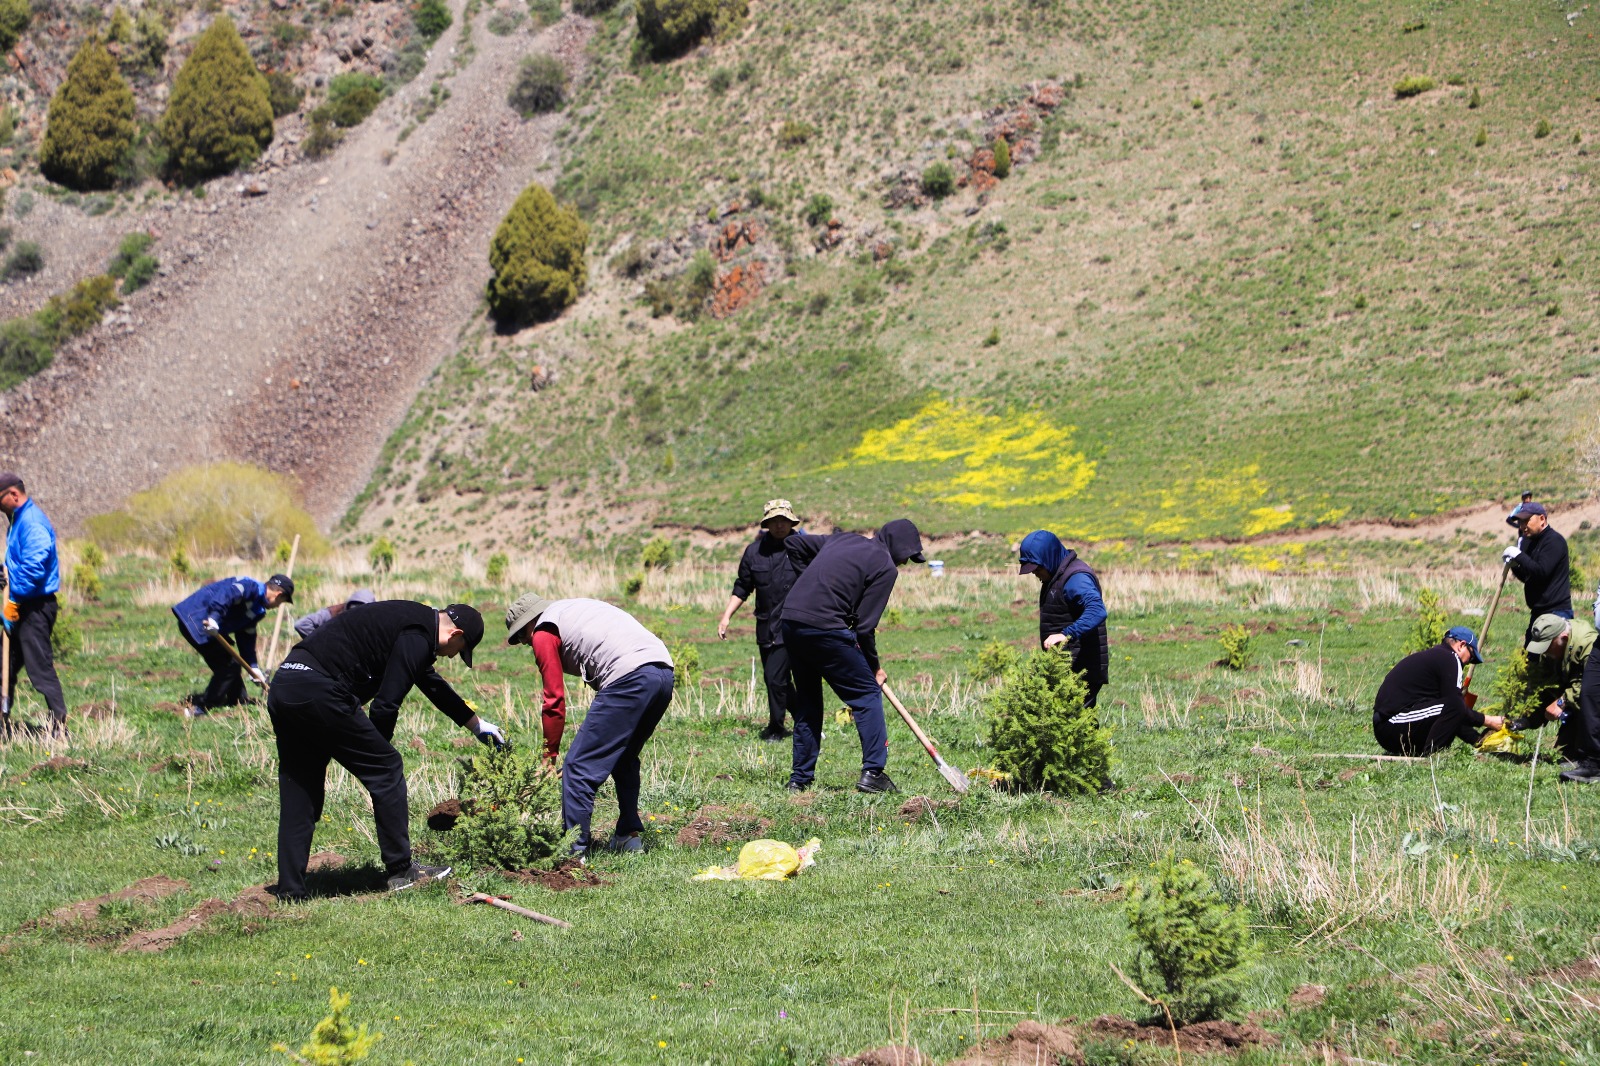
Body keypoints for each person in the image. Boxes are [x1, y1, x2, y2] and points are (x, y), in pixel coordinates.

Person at [267, 600, 498, 898]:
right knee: (387, 768)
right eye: (460, 650)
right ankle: (402, 870)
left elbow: (430, 684)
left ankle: (291, 889)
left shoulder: (411, 624)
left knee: (300, 787)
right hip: (319, 689)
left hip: (286, 683)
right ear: (455, 634)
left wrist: (476, 724)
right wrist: (377, 753)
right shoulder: (418, 635)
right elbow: (386, 704)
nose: (453, 656)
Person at [504, 592, 675, 855]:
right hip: (662, 673)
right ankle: (627, 836)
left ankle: (573, 853)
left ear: (530, 622)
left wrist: (548, 757)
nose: (527, 644)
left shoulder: (543, 631)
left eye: (522, 637)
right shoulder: (570, 608)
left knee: (578, 769)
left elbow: (553, 700)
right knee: (624, 755)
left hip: (629, 677)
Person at [778, 518, 924, 794]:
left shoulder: (843, 539)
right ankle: (873, 773)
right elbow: (865, 627)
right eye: (907, 557)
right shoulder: (885, 567)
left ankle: (799, 780)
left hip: (792, 620)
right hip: (826, 627)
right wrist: (875, 668)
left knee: (809, 702)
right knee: (867, 696)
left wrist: (812, 581)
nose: (904, 563)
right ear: (899, 547)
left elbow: (793, 542)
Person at [716, 499, 801, 741]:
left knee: (775, 678)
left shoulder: (803, 547)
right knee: (779, 679)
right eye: (774, 521)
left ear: (791, 521)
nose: (779, 525)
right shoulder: (754, 552)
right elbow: (743, 586)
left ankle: (776, 727)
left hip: (796, 625)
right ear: (766, 523)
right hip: (766, 626)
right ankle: (805, 719)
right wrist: (726, 617)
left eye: (783, 520)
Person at [172, 572, 295, 716]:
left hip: (207, 628)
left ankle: (238, 700)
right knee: (228, 667)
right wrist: (213, 618)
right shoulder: (249, 587)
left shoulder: (258, 610)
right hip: (196, 621)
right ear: (278, 594)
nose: (278, 606)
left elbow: (246, 637)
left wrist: (253, 667)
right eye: (281, 602)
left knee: (232, 664)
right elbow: (227, 594)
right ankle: (202, 707)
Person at [0, 472, 67, 735]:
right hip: (22, 604)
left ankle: (60, 727)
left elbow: (34, 569)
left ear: (13, 495)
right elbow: (18, 562)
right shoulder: (17, 520)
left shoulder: (32, 522)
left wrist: (14, 601)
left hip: (36, 607)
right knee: (3, 664)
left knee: (39, 669)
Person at [1373, 627, 1503, 755]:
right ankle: (1433, 756)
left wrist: (1477, 740)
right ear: (1462, 645)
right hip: (1391, 724)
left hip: (1389, 728)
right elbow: (1456, 707)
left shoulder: (1439, 657)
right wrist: (1489, 720)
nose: (1469, 662)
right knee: (1455, 705)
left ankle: (1472, 742)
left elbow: (1450, 714)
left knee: (1450, 707)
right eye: (1471, 655)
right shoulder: (1451, 658)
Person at [1017, 529, 1109, 708]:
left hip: (1081, 667)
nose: (1035, 574)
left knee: (1077, 723)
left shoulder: (1076, 578)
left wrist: (1066, 634)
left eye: (1037, 568)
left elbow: (1097, 610)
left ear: (1048, 558)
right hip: (1067, 665)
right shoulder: (1057, 575)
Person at [1524, 613, 1600, 783]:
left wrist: (1561, 702)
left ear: (1564, 638)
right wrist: (1528, 720)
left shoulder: (1587, 645)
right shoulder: (1554, 647)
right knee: (1565, 754)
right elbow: (1549, 685)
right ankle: (1579, 755)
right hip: (1579, 703)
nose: (1544, 652)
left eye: (1547, 646)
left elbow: (1592, 688)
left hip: (1594, 703)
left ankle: (1593, 761)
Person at [1503, 501, 1571, 642]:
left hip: (1556, 613)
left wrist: (1519, 556)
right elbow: (1529, 576)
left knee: (1554, 661)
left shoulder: (1554, 541)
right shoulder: (1531, 543)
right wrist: (1514, 565)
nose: (1522, 526)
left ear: (1542, 519)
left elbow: (1541, 572)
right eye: (1520, 522)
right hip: (1538, 613)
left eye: (1526, 520)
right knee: (1531, 659)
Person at [293, 589, 376, 640]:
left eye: (360, 610)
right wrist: (322, 642)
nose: (355, 614)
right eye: (353, 608)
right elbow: (301, 624)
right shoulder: (334, 612)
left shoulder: (374, 624)